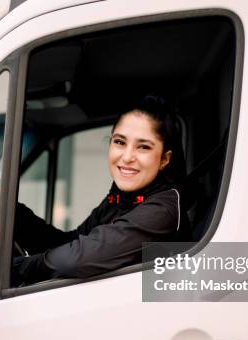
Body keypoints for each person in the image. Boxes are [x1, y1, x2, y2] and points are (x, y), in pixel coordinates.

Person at [10, 95, 185, 286]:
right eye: (119, 142)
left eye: (143, 147)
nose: (127, 157)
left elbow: (74, 260)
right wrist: (15, 215)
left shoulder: (161, 210)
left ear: (164, 160)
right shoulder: (122, 197)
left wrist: (16, 268)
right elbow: (72, 242)